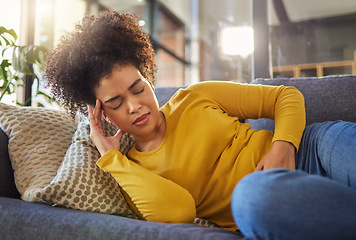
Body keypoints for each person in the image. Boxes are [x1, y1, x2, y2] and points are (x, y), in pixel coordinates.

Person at [44, 10, 356, 240]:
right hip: (260, 196)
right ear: (103, 113)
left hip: (314, 149)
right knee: (254, 198)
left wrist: (283, 147)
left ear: (148, 79)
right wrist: (109, 155)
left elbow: (285, 97)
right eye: (115, 103)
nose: (134, 105)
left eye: (138, 89)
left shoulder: (193, 97)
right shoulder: (133, 170)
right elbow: (178, 212)